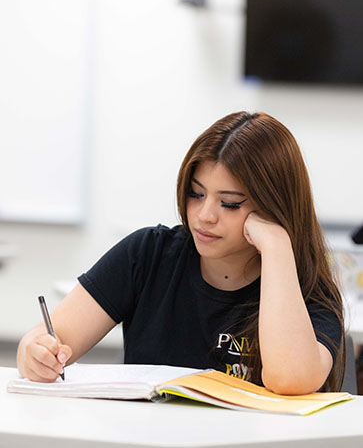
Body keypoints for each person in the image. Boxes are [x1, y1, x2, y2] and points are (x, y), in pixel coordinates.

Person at [17, 111, 345, 394]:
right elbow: (45, 339)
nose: (205, 215)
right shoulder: (148, 254)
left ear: (274, 207)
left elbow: (290, 379)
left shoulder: (306, 289)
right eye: (195, 194)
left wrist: (275, 246)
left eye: (229, 203)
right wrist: (36, 354)